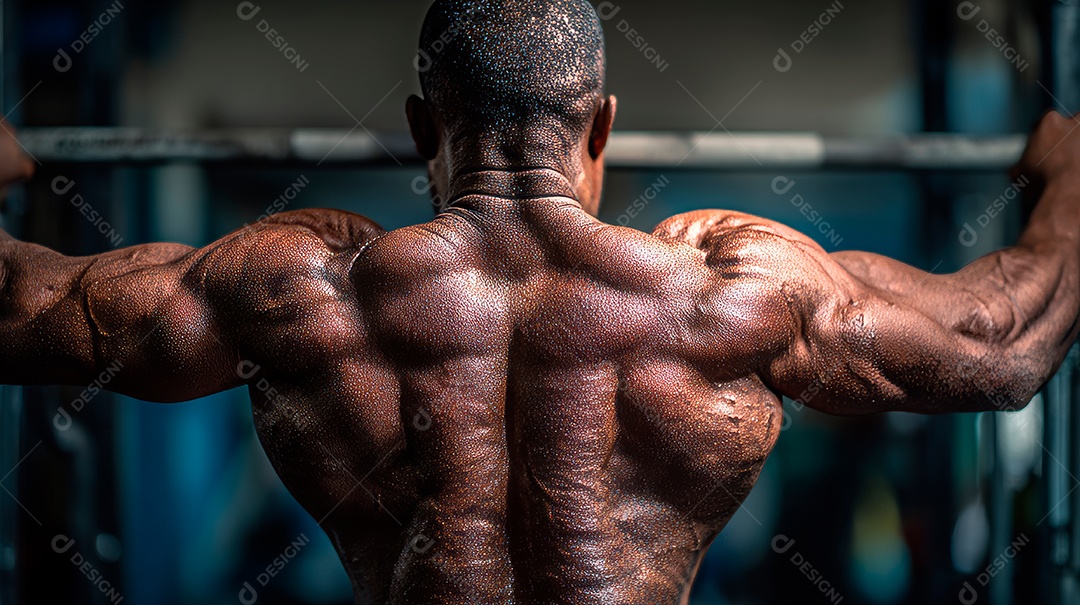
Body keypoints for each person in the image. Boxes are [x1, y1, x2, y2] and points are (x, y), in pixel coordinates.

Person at [2, 1, 1078, 603]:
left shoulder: (302, 293)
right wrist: (1071, 181)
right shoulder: (728, 293)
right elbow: (1002, 342)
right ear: (601, 126)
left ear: (424, 130)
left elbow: (22, 309)